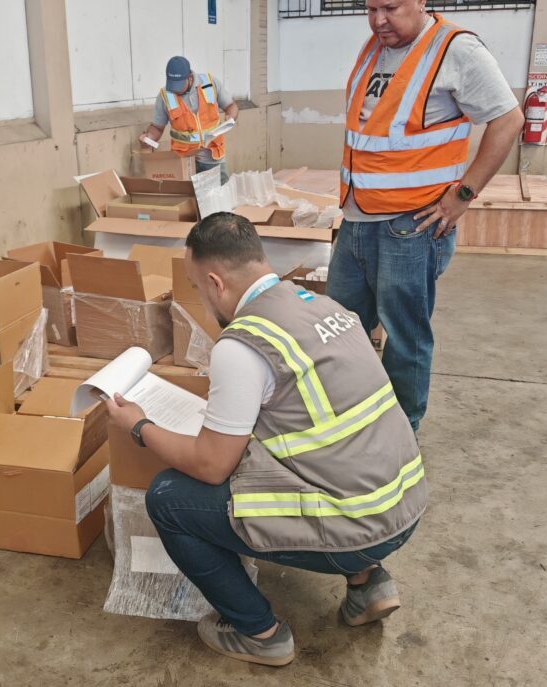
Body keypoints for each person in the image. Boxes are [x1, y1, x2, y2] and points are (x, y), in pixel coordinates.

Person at [106, 213, 427, 667]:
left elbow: (211, 466)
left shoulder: (242, 344)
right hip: (405, 503)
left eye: (197, 288)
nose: (203, 300)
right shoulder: (326, 308)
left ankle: (259, 632)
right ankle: (368, 584)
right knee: (320, 453)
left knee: (169, 499)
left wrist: (140, 426)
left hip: (357, 527)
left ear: (215, 283)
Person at [328, 0, 525, 431]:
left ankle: (401, 435)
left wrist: (464, 195)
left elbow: (509, 119)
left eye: (391, 7)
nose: (379, 20)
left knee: (405, 337)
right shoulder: (375, 48)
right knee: (338, 328)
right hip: (357, 217)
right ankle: (349, 426)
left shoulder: (456, 50)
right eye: (371, 8)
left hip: (411, 226)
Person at [139, 56, 239, 184]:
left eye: (179, 85)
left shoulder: (210, 84)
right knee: (187, 196)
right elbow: (157, 128)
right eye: (172, 84)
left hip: (213, 157)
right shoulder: (165, 96)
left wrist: (231, 117)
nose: (175, 89)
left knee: (221, 194)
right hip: (184, 161)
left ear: (190, 77)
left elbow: (231, 106)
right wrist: (149, 138)